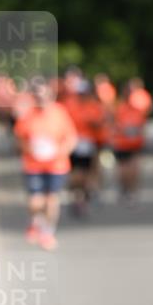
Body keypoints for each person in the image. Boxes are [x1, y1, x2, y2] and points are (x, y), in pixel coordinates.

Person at [13, 77, 78, 250]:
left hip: (57, 165)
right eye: (38, 96)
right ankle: (36, 221)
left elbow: (71, 138)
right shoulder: (27, 116)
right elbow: (19, 138)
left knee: (51, 200)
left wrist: (60, 151)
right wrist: (29, 149)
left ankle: (48, 232)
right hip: (33, 165)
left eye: (44, 95)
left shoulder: (60, 112)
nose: (41, 99)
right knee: (36, 202)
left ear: (50, 95)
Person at [63, 79, 108, 216]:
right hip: (74, 145)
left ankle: (86, 196)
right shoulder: (69, 105)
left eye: (84, 93)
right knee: (76, 175)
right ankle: (77, 198)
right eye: (80, 93)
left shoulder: (95, 106)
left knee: (89, 174)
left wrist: (95, 125)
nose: (82, 95)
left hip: (91, 145)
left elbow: (101, 125)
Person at [112, 79, 153, 203]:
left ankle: (133, 191)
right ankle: (124, 188)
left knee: (134, 169)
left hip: (135, 144)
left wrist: (141, 135)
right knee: (123, 171)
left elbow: (142, 125)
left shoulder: (138, 109)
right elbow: (112, 124)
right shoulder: (117, 108)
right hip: (121, 143)